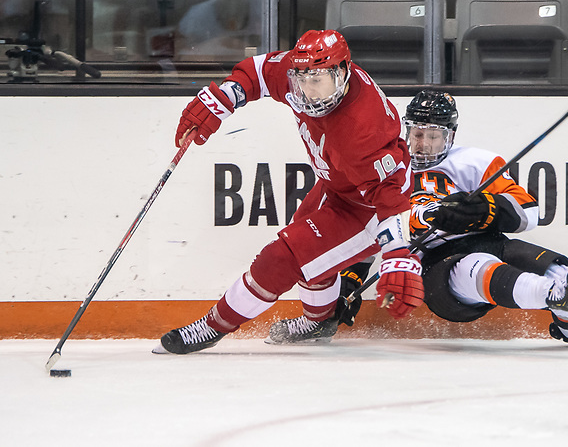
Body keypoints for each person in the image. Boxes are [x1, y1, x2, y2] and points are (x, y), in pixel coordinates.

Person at [267, 90, 568, 347]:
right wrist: (348, 284)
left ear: (451, 135)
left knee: (559, 269)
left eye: (433, 136)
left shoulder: (474, 162)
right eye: (416, 134)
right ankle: (554, 297)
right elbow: (363, 236)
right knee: (479, 267)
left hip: (489, 242)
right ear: (404, 130)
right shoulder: (384, 169)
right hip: (435, 268)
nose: (423, 144)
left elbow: (530, 213)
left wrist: (485, 209)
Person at [154, 30, 425, 354]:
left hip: (366, 208)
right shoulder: (303, 73)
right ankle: (319, 322)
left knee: (280, 259)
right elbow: (259, 72)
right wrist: (220, 100)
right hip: (337, 186)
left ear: (342, 72)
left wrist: (397, 255)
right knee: (309, 255)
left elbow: (389, 196)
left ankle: (212, 327)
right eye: (302, 80)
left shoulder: (362, 126)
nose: (308, 91)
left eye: (317, 80)